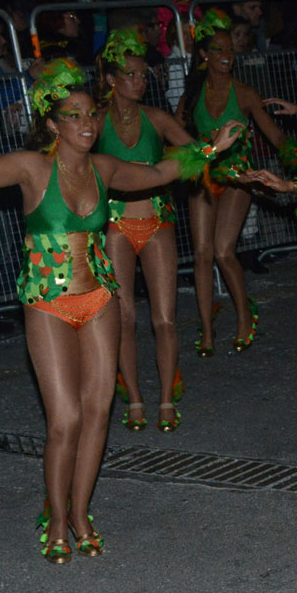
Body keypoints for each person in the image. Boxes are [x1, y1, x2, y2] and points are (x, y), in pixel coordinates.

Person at [0, 59, 240, 563]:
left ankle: (80, 513)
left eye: (90, 114)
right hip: (49, 303)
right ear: (52, 124)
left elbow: (162, 170)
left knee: (99, 412)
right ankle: (54, 515)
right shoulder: (31, 167)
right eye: (73, 115)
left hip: (100, 301)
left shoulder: (105, 168)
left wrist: (212, 146)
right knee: (65, 420)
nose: (87, 123)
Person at [173, 10, 297, 356]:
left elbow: (275, 136)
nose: (226, 56)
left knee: (222, 251)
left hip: (238, 177)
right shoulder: (191, 95)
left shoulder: (244, 93)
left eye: (230, 50)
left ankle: (245, 315)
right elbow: (175, 138)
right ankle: (206, 330)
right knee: (202, 255)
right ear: (203, 54)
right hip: (203, 176)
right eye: (217, 50)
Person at [97, 28, 200, 433]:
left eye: (143, 75)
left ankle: (165, 398)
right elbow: (64, 160)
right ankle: (135, 397)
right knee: (124, 319)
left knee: (165, 319)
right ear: (111, 79)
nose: (140, 82)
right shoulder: (96, 122)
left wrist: (224, 158)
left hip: (156, 223)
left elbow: (195, 152)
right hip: (115, 225)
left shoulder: (156, 118)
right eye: (131, 75)